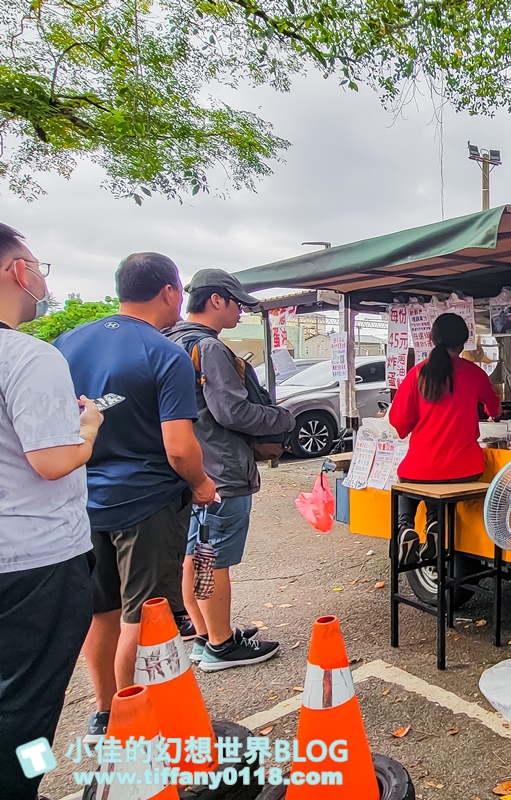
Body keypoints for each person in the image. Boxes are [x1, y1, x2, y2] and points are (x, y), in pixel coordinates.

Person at [56, 253, 216, 744]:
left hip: (81, 502)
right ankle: (134, 723)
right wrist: (201, 484)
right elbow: (179, 447)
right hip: (145, 505)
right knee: (142, 618)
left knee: (100, 612)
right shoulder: (164, 353)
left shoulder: (64, 345)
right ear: (169, 291)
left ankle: (105, 713)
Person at [0, 225, 103, 800]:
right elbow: (52, 460)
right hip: (34, 562)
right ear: (19, 271)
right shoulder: (27, 354)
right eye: (39, 266)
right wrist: (87, 429)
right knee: (28, 706)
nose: (42, 279)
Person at [165, 269, 294, 671]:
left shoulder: (171, 341)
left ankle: (206, 636)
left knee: (197, 553)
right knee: (213, 556)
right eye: (236, 303)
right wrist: (282, 418)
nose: (241, 311)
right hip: (220, 469)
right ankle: (221, 644)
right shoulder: (211, 348)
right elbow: (231, 410)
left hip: (188, 469)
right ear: (216, 300)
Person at [389, 313, 500, 559]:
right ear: (465, 341)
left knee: (411, 480)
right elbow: (496, 410)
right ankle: (434, 525)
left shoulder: (417, 374)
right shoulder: (475, 373)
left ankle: (405, 527)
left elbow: (398, 423)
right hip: (467, 470)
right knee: (437, 483)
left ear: (431, 338)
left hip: (421, 469)